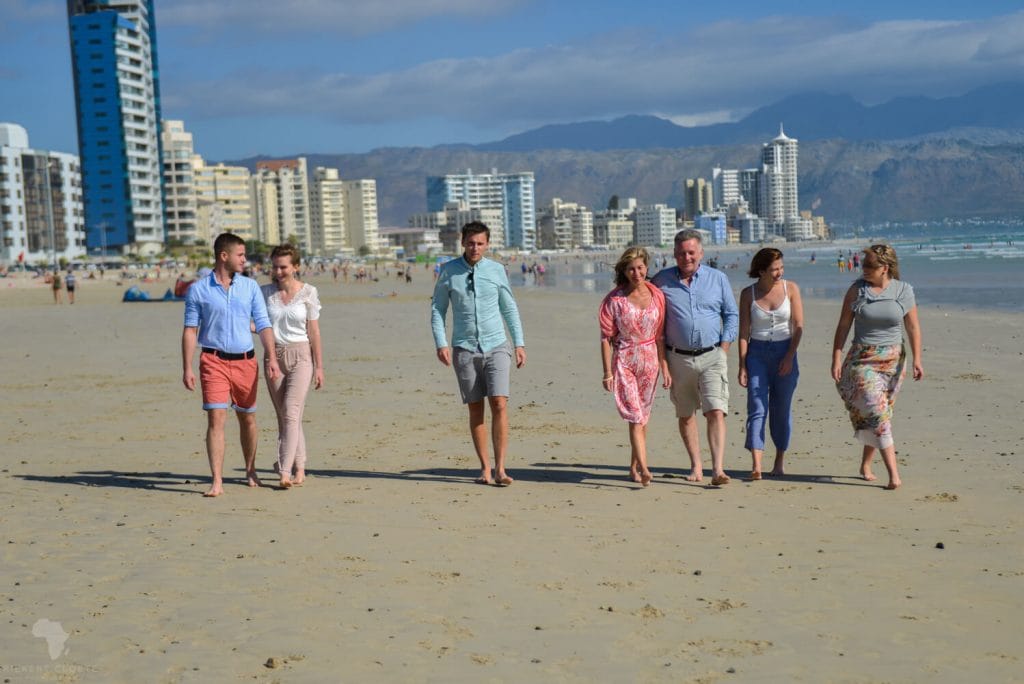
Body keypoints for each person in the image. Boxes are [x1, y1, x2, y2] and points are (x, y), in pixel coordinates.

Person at [182, 233, 281, 497]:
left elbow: (263, 324)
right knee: (216, 418)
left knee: (247, 418)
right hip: (212, 360)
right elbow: (190, 330)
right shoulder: (199, 290)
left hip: (245, 362)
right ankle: (217, 481)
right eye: (240, 255)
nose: (244, 259)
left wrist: (271, 357)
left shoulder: (250, 287)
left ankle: (250, 470)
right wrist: (187, 367)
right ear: (223, 256)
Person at [431, 221, 526, 486]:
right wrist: (441, 343)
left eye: (480, 243)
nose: (475, 248)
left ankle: (501, 469)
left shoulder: (496, 270)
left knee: (499, 403)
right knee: (476, 409)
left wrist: (519, 343)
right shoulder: (449, 271)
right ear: (463, 242)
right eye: (471, 243)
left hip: (497, 345)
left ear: (487, 244)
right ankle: (485, 468)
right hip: (464, 348)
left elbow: (509, 308)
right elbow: (438, 310)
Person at [831, 244, 923, 490]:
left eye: (870, 265)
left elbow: (913, 327)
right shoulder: (856, 290)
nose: (864, 269)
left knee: (879, 414)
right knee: (877, 413)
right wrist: (836, 357)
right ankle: (894, 475)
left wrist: (917, 360)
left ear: (885, 268)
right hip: (862, 359)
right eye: (864, 264)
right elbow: (843, 326)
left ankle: (865, 465)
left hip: (894, 361)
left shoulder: (903, 291)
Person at [652, 229, 738, 486]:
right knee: (686, 413)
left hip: (713, 354)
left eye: (691, 252)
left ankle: (718, 469)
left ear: (701, 253)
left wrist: (724, 346)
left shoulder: (718, 278)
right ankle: (696, 466)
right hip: (678, 358)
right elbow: (651, 316)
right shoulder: (661, 281)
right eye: (681, 253)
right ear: (674, 255)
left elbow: (731, 314)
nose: (686, 257)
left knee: (716, 410)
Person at [599, 247, 671, 486]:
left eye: (640, 268)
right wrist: (607, 372)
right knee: (635, 417)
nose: (637, 272)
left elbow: (660, 336)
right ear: (625, 271)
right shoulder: (615, 300)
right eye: (631, 269)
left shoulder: (657, 295)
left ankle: (633, 467)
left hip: (650, 361)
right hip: (625, 360)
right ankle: (644, 467)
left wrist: (665, 367)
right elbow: (605, 338)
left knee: (643, 418)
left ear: (646, 268)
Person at [261, 244, 324, 488]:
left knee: (291, 411)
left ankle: (284, 472)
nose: (278, 271)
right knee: (286, 417)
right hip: (273, 357)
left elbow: (314, 331)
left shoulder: (308, 292)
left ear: (295, 267)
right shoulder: (264, 292)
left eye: (283, 266)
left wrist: (319, 367)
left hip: (301, 356)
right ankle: (300, 467)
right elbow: (257, 323)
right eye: (275, 266)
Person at [737, 248, 803, 480]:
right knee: (757, 407)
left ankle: (779, 461)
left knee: (781, 409)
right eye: (775, 269)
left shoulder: (791, 289)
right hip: (757, 354)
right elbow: (744, 332)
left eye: (781, 268)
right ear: (761, 270)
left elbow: (797, 326)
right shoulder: (748, 294)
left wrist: (788, 357)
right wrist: (742, 365)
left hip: (785, 351)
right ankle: (756, 465)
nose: (779, 272)